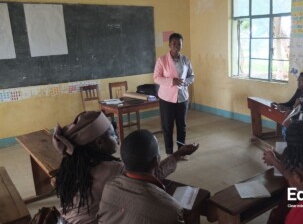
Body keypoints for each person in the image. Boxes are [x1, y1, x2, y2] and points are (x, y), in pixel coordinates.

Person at [53, 111, 198, 224]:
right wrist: (177, 155)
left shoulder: (71, 164)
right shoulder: (113, 170)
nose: (116, 137)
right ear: (99, 143)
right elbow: (151, 174)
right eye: (112, 134)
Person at [97, 129, 199, 223]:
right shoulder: (171, 210)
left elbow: (155, 173)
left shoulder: (109, 188)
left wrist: (177, 154)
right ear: (156, 161)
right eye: (159, 155)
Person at [153, 33, 195, 157]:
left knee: (182, 126)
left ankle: (181, 152)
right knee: (167, 127)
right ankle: (169, 153)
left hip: (182, 98)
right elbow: (156, 78)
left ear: (182, 45)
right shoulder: (162, 60)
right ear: (169, 45)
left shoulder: (186, 60)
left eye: (179, 44)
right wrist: (172, 81)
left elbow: (191, 76)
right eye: (174, 43)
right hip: (166, 99)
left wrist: (185, 82)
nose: (176, 46)